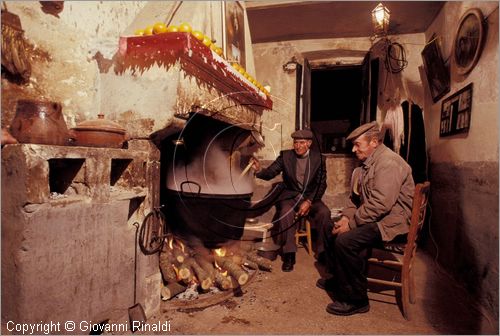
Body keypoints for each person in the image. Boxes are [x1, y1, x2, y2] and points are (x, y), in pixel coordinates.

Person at [319, 121, 415, 316]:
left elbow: (381, 204)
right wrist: (346, 218)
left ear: (374, 142)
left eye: (358, 145)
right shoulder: (363, 167)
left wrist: (352, 224)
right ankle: (339, 279)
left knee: (346, 241)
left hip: (391, 223)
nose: (354, 149)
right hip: (376, 218)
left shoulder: (389, 163)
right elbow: (354, 199)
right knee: (330, 227)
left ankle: (357, 299)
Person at [250, 129, 331, 272]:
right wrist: (258, 170)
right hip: (290, 196)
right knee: (285, 212)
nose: (297, 146)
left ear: (309, 143)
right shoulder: (285, 156)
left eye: (301, 143)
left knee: (324, 213)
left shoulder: (319, 158)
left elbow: (321, 184)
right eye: (295, 142)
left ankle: (323, 251)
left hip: (311, 197)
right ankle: (289, 254)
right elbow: (270, 173)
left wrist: (309, 201)